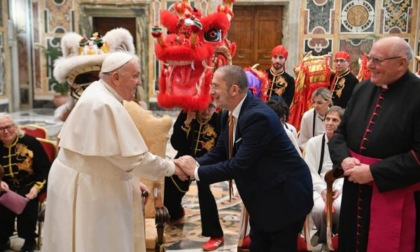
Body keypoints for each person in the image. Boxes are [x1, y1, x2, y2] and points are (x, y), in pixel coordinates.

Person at [42, 52, 186, 252]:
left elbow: (111, 155)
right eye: (135, 76)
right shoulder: (104, 104)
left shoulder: (99, 91)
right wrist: (174, 167)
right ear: (116, 78)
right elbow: (136, 159)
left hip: (89, 181)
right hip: (88, 188)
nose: (139, 82)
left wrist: (132, 181)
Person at [176, 65, 313, 251]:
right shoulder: (228, 114)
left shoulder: (258, 117)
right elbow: (222, 151)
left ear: (233, 90)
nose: (211, 92)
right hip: (262, 199)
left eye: (216, 86)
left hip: (285, 198)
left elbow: (240, 165)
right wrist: (192, 164)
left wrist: (196, 172)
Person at [329, 36, 420, 252]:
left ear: (401, 63)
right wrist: (344, 159)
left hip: (395, 195)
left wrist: (374, 172)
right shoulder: (362, 89)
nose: (369, 65)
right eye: (369, 58)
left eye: (377, 60)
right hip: (355, 191)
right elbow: (340, 134)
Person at [164, 101, 225, 251]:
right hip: (184, 160)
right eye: (203, 106)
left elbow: (221, 148)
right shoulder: (186, 114)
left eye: (211, 106)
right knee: (168, 183)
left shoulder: (220, 119)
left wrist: (199, 166)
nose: (206, 111)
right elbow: (176, 144)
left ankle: (216, 234)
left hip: (208, 163)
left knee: (204, 190)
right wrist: (187, 122)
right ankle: (177, 212)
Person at [0, 113, 51, 252]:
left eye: (8, 127)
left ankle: (29, 240)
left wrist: (36, 188)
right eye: (1, 128)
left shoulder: (31, 143)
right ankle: (3, 239)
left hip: (29, 184)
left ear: (15, 127)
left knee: (27, 202)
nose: (5, 131)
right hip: (5, 185)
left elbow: (46, 170)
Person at [304, 106, 344, 246]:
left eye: (335, 120)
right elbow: (309, 171)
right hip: (317, 187)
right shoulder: (313, 143)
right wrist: (323, 189)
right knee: (320, 209)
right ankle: (324, 238)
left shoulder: (347, 144)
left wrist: (337, 188)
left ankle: (335, 237)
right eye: (327, 119)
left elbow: (345, 172)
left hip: (339, 187)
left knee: (339, 208)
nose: (330, 123)